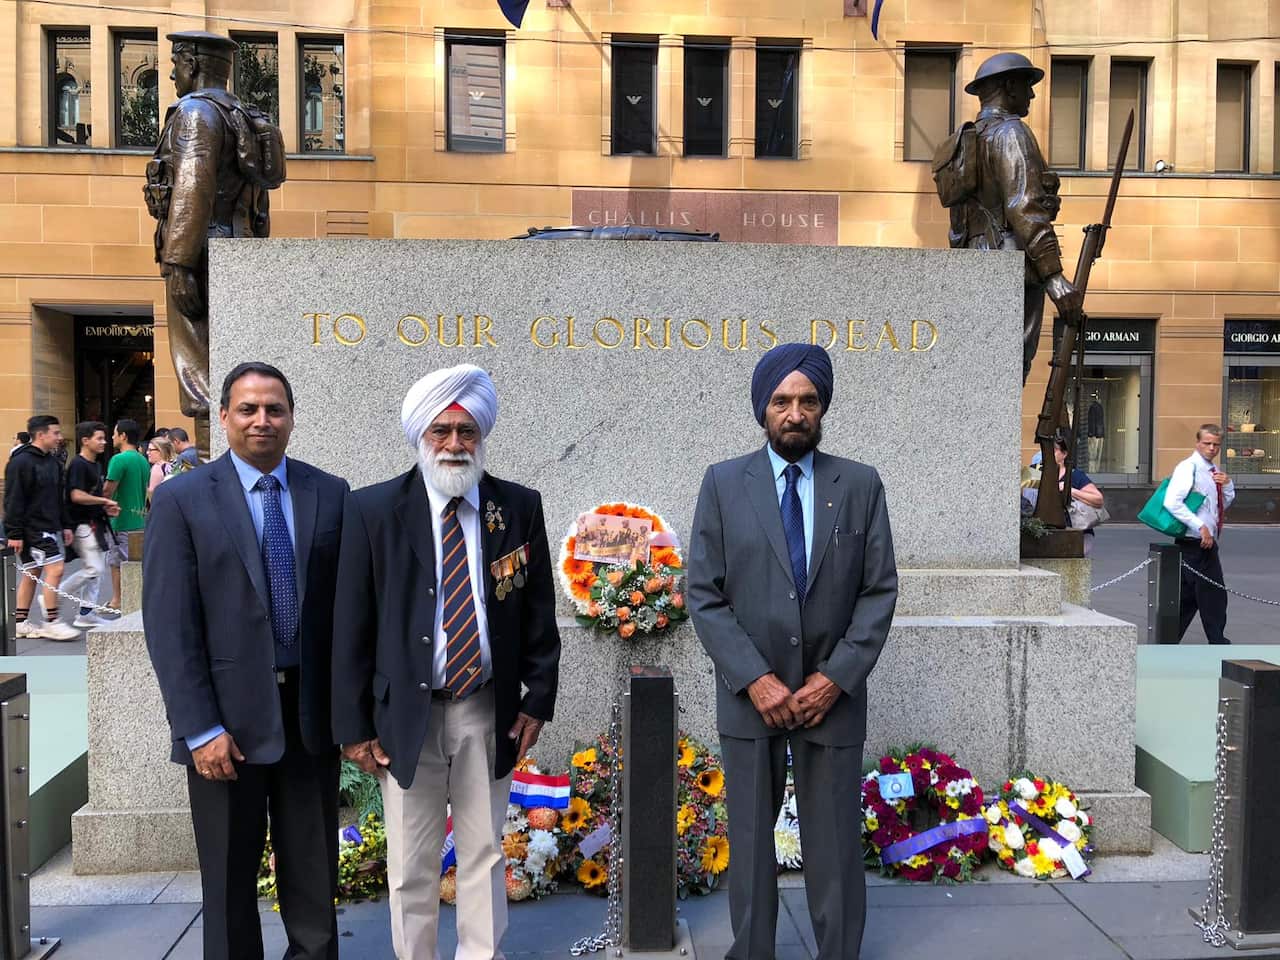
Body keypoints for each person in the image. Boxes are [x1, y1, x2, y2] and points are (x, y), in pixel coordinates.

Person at [333, 364, 561, 960]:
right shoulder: (373, 510)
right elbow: (350, 626)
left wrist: (538, 699)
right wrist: (352, 726)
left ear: (481, 436)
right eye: (441, 431)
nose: (455, 444)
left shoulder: (517, 506)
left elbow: (538, 613)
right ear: (419, 436)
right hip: (406, 714)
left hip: (485, 706)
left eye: (466, 431)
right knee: (411, 861)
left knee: (484, 851)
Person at [688, 343, 898, 960]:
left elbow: (878, 590)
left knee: (833, 843)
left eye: (807, 400)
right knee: (750, 842)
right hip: (751, 697)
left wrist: (835, 679)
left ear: (823, 407)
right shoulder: (725, 483)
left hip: (829, 697)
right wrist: (755, 679)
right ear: (763, 410)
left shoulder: (858, 484)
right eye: (782, 401)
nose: (795, 413)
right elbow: (704, 592)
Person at [143, 362, 349, 959]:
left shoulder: (328, 492)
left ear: (291, 418)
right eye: (248, 409)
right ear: (225, 417)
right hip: (223, 725)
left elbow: (346, 613)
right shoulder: (182, 499)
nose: (262, 420)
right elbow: (170, 628)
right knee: (230, 883)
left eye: (275, 409)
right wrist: (199, 727)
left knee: (313, 877)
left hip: (308, 719)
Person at [936, 52, 1083, 384]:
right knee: (1011, 369)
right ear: (1008, 86)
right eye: (1026, 86)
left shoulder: (966, 139)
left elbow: (957, 225)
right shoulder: (1011, 133)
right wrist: (1054, 276)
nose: (1031, 94)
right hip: (1012, 261)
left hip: (976, 262)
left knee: (982, 369)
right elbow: (1024, 207)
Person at [2, 415, 78, 640]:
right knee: (55, 570)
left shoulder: (53, 462)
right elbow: (13, 498)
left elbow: (58, 496)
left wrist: (65, 524)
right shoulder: (21, 462)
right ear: (41, 434)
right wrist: (14, 532)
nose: (59, 437)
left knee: (32, 572)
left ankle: (20, 621)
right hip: (33, 528)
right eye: (55, 433)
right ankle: (51, 621)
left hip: (46, 525)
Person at [1164, 424, 1235, 645]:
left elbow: (1218, 506)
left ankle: (1166, 641)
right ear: (1198, 443)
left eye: (1216, 444)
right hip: (1194, 541)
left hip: (1203, 541)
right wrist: (1200, 526)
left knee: (1189, 597)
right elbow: (1172, 502)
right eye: (1207, 443)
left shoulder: (1212, 471)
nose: (1212, 448)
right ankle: (1217, 642)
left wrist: (1228, 485)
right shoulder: (1189, 467)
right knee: (1213, 595)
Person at [61, 421, 120, 628]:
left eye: (104, 438)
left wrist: (104, 508)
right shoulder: (78, 464)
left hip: (96, 522)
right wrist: (104, 501)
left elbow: (89, 495)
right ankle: (54, 596)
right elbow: (76, 495)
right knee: (93, 569)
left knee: (97, 571)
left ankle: (86, 613)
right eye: (99, 438)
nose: (104, 442)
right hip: (82, 525)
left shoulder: (95, 464)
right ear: (85, 441)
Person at [103, 418, 149, 614]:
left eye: (114, 433)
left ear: (123, 436)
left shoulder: (119, 460)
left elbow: (108, 490)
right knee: (137, 563)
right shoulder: (142, 459)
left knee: (118, 563)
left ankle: (118, 599)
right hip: (139, 517)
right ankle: (135, 597)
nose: (112, 437)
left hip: (121, 520)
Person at [1053, 435, 1105, 552]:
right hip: (1051, 532)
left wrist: (1071, 491)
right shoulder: (1038, 473)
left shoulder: (1075, 475)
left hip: (1078, 532)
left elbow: (1098, 499)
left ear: (1064, 454)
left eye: (1055, 450)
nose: (1049, 454)